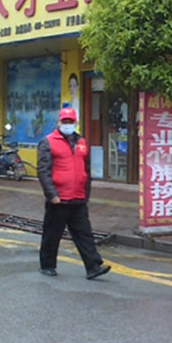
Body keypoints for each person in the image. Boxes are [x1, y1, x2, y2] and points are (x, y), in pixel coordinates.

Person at [36, 107, 110, 279]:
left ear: (76, 123)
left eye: (71, 122)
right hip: (59, 198)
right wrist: (51, 194)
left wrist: (86, 194)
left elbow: (86, 169)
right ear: (59, 123)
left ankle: (93, 267)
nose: (68, 124)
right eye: (65, 122)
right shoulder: (48, 142)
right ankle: (47, 264)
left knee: (85, 234)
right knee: (52, 234)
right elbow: (43, 171)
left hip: (78, 198)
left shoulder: (81, 142)